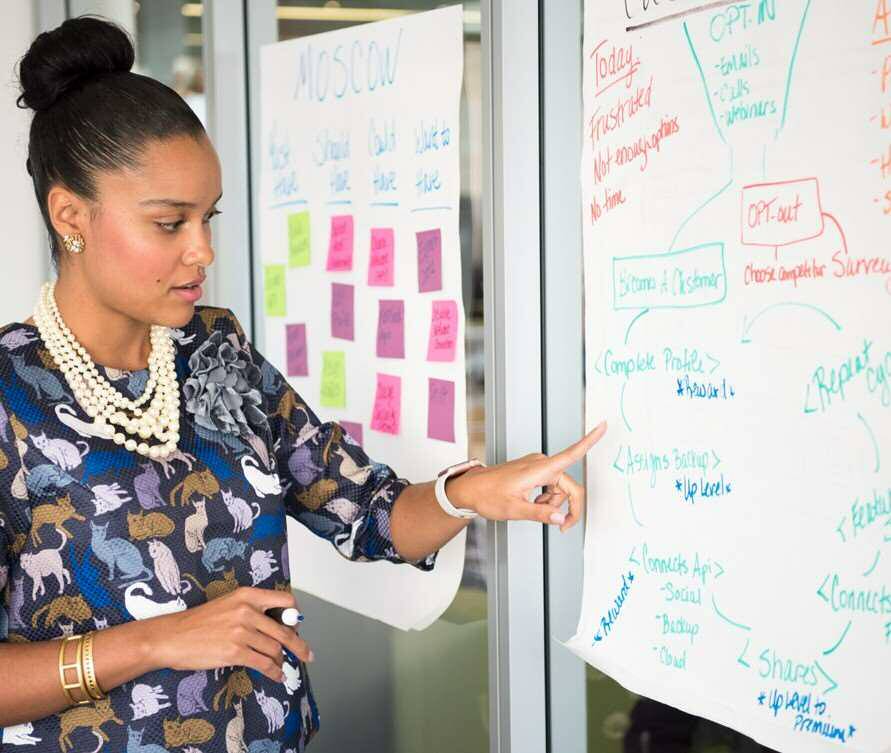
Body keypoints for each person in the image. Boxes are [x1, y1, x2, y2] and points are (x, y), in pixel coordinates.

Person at [0, 16, 606, 752]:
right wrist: (156, 641)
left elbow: (366, 511)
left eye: (207, 217)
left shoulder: (215, 353)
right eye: (169, 223)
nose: (203, 250)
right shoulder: (9, 394)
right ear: (71, 216)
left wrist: (468, 493)